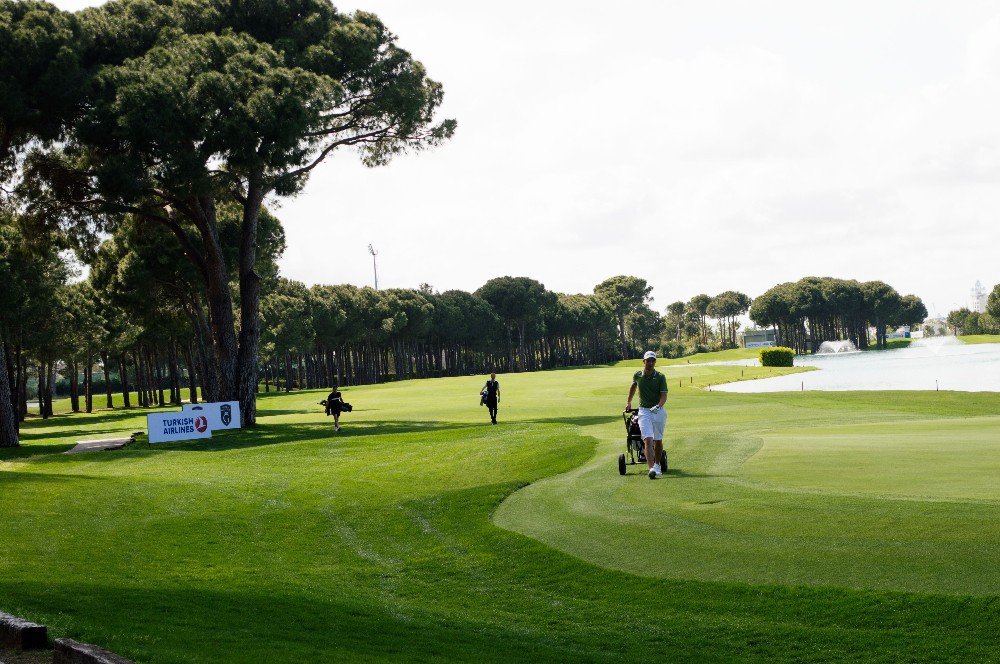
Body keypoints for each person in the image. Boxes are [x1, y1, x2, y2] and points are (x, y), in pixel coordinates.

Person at [626, 350, 668, 479]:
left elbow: (664, 396)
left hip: (658, 411)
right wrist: (628, 402)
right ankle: (651, 469)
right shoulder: (638, 375)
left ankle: (657, 465)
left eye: (652, 361)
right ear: (643, 361)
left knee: (658, 440)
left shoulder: (660, 377)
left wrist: (658, 406)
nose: (650, 363)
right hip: (644, 411)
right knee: (648, 439)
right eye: (648, 360)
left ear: (655, 362)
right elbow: (633, 387)